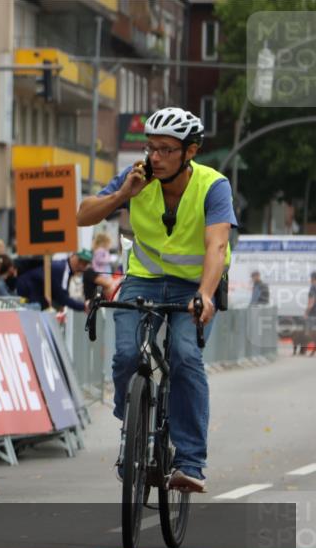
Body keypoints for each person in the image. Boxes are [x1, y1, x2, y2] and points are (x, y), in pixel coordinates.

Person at [77, 107, 236, 492]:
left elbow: (216, 245)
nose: (156, 157)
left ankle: (190, 462)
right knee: (126, 354)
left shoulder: (214, 186)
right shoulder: (136, 177)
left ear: (190, 152)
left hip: (194, 286)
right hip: (144, 280)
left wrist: (204, 294)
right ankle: (132, 423)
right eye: (151, 148)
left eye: (166, 149)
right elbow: (83, 216)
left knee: (184, 354)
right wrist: (123, 194)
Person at [15, 250, 91, 311]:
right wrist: (83, 306)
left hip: (31, 296)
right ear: (72, 256)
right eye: (80, 261)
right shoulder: (62, 269)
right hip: (28, 297)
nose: (81, 266)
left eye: (85, 264)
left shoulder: (64, 268)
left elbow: (60, 296)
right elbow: (62, 297)